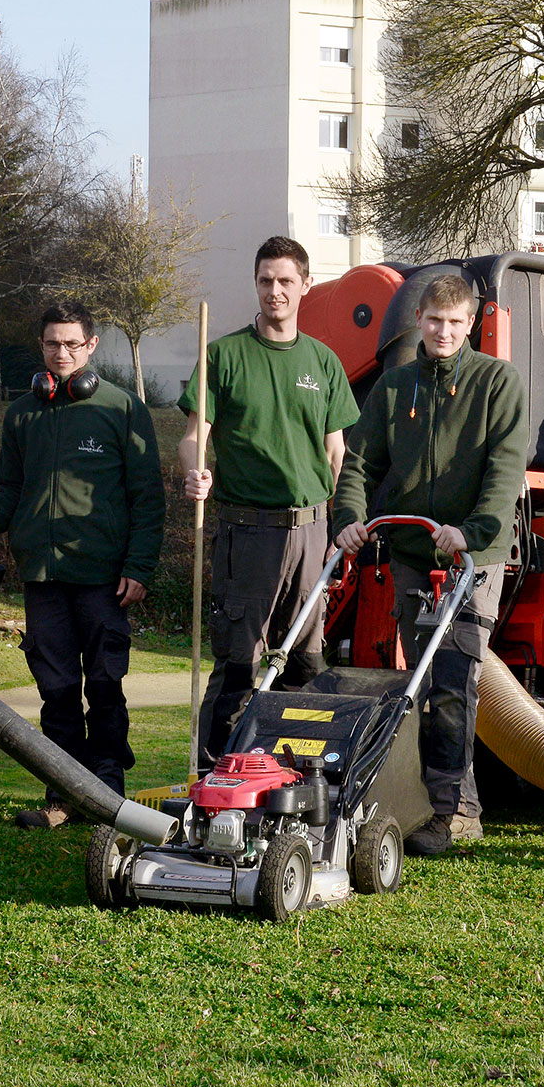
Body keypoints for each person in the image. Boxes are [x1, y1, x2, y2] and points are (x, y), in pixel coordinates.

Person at [0, 300, 165, 828]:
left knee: (105, 686)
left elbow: (147, 496)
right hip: (43, 580)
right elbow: (12, 494)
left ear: (90, 346)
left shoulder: (122, 409)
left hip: (104, 580)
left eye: (71, 343)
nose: (61, 352)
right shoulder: (22, 413)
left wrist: (140, 565)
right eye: (51, 343)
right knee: (57, 691)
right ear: (40, 346)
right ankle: (62, 797)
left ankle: (108, 794)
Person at [333, 273, 530, 856]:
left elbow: (504, 468)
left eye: (455, 322)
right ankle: (425, 798)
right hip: (415, 551)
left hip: (474, 554)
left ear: (470, 325)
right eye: (434, 321)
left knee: (454, 680)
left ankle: (457, 810)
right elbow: (360, 463)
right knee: (419, 681)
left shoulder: (497, 383)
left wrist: (469, 533)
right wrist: (349, 516)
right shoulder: (395, 389)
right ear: (418, 320)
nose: (443, 332)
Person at [179, 236, 359, 766]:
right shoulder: (223, 354)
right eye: (264, 281)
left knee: (305, 659)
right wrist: (195, 472)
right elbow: (195, 436)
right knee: (241, 660)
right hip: (247, 532)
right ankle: (212, 780)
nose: (274, 291)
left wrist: (331, 525)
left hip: (312, 531)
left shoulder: (323, 362)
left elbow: (336, 454)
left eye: (285, 281)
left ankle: (304, 773)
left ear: (306, 285)